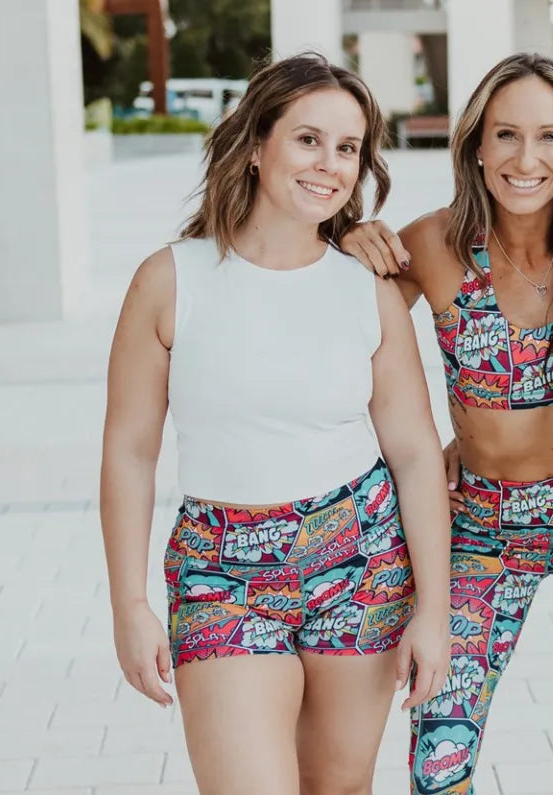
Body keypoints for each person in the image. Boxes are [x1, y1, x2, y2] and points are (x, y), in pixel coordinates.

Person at [98, 53, 451, 795]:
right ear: (256, 146)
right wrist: (129, 605)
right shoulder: (171, 280)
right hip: (222, 569)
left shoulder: (368, 292)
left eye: (348, 148)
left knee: (339, 786)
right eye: (308, 140)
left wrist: (434, 610)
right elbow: (130, 452)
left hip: (358, 557)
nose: (330, 164)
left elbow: (416, 454)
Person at [342, 53, 553, 795]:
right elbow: (333, 347)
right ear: (476, 146)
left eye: (549, 137)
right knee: (439, 759)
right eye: (507, 135)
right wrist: (346, 244)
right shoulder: (432, 246)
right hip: (484, 527)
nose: (527, 159)